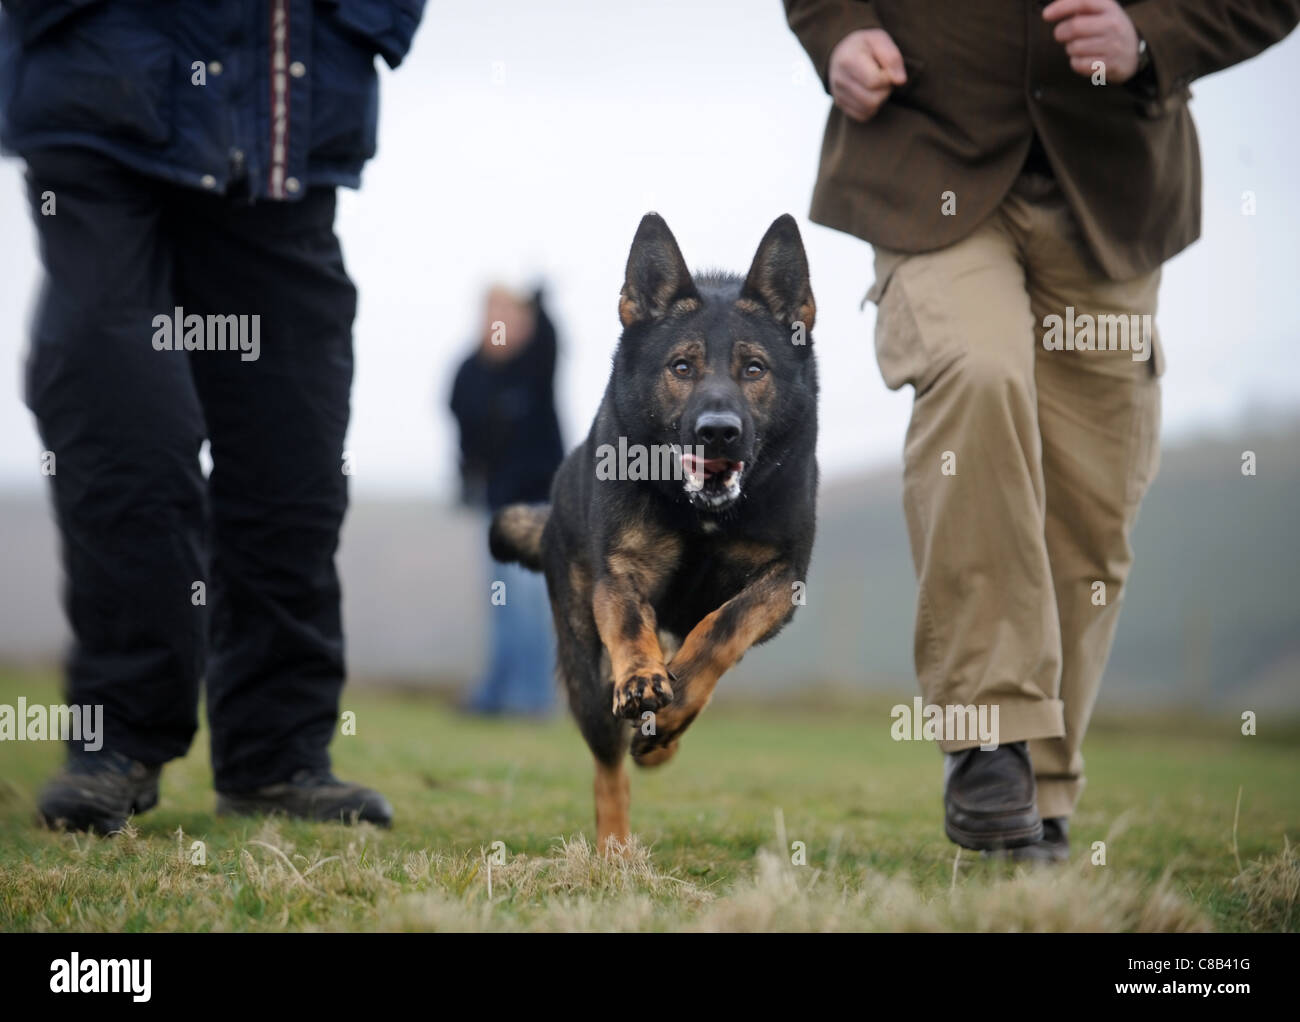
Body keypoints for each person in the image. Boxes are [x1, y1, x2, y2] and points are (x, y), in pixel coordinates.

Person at [785, 0, 1299, 861]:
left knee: (1089, 503)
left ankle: (1041, 796)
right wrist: (835, 30)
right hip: (927, 159)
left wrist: (1151, 37)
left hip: (1112, 188)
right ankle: (989, 737)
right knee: (977, 373)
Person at [1, 0, 428, 833]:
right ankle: (114, 740)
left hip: (286, 117)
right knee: (126, 435)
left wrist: (363, 21)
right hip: (101, 97)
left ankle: (277, 758)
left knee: (292, 454)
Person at [450, 286, 564, 716]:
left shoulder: (534, 366)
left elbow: (550, 340)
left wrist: (541, 306)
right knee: (501, 601)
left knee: (530, 601)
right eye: (491, 313)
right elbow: (461, 421)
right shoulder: (470, 371)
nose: (498, 323)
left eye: (508, 314)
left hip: (538, 504)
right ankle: (498, 693)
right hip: (497, 504)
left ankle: (531, 698)